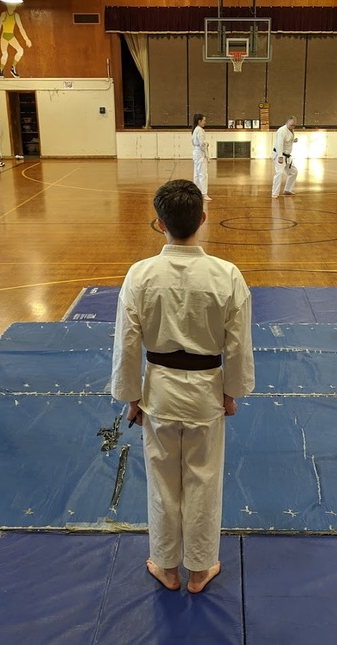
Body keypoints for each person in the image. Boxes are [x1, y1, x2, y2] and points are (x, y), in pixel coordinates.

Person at [111, 179, 255, 594]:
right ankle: (199, 569)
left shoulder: (140, 275)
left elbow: (127, 343)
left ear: (159, 224)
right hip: (206, 392)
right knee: (203, 480)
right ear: (203, 220)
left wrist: (132, 398)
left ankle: (168, 568)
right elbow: (238, 345)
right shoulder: (227, 275)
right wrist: (231, 392)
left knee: (162, 482)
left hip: (158, 391)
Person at [0, 2, 32, 78]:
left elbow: (21, 28)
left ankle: (13, 68)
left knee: (20, 50)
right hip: (4, 36)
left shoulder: (16, 16)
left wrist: (27, 39)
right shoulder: (4, 14)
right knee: (5, 54)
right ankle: (1, 70)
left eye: (13, 7)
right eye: (10, 6)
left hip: (11, 36)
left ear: (15, 7)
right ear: (7, 6)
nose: (11, 8)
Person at [271, 116, 298, 198]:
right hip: (280, 155)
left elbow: (287, 140)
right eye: (291, 125)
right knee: (279, 173)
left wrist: (293, 140)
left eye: (294, 125)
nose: (292, 127)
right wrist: (280, 157)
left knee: (293, 172)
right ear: (287, 123)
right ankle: (274, 193)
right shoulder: (282, 131)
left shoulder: (290, 130)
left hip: (287, 156)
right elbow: (280, 144)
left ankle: (287, 190)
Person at [191, 114, 212, 201]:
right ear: (199, 121)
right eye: (204, 121)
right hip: (200, 154)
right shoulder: (199, 130)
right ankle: (204, 193)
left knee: (197, 173)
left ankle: (196, 191)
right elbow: (202, 144)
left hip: (197, 153)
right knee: (203, 174)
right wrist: (207, 144)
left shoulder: (196, 129)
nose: (205, 122)